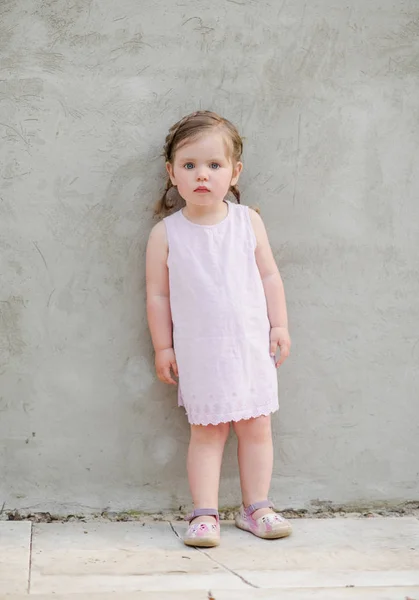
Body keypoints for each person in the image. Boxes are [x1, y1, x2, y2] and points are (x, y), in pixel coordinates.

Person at [146, 110, 292, 548]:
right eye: (189, 166)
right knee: (207, 432)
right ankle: (204, 513)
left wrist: (279, 324)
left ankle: (257, 507)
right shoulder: (166, 233)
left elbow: (269, 276)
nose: (202, 175)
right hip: (201, 350)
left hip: (249, 345)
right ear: (172, 174)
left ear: (235, 172)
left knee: (256, 426)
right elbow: (158, 296)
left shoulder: (247, 221)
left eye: (214, 165)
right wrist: (162, 347)